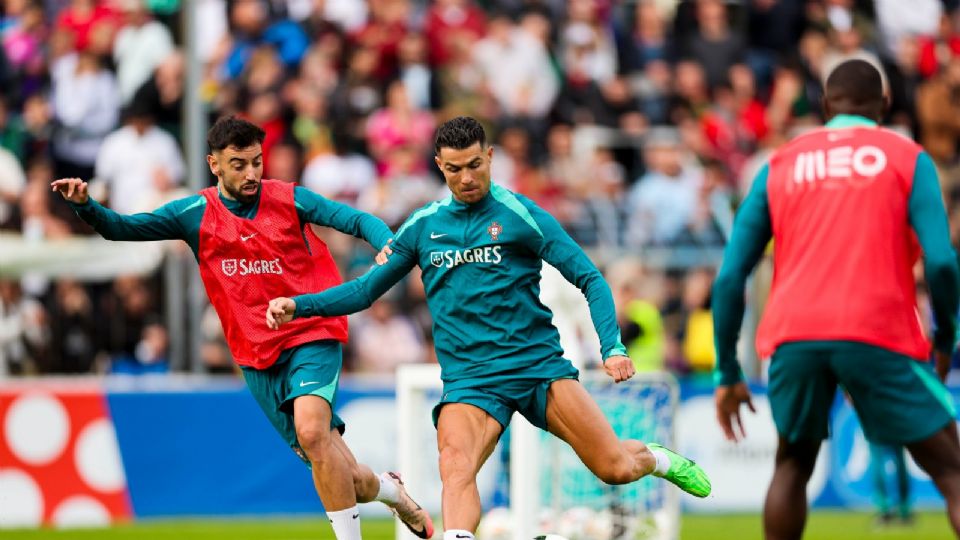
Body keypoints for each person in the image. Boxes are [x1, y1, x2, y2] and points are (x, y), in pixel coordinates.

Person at [266, 116, 711, 539]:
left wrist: (611, 346)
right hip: (471, 381)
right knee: (454, 467)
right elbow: (363, 292)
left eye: (475, 165)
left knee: (614, 466)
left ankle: (658, 459)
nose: (466, 178)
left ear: (491, 157)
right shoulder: (424, 226)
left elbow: (590, 277)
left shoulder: (520, 214)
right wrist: (300, 305)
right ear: (440, 166)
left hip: (538, 369)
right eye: (455, 169)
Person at [52, 116, 433, 540]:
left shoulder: (289, 198)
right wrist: (86, 206)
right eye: (239, 164)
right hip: (254, 355)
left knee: (311, 430)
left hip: (311, 330)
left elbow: (356, 220)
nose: (251, 173)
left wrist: (386, 244)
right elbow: (123, 228)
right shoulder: (193, 213)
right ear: (213, 164)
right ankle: (390, 490)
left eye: (256, 162)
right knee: (342, 472)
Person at [712, 59, 960, 540]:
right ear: (885, 106)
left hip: (794, 335)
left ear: (825, 107)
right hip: (878, 331)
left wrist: (727, 372)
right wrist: (946, 336)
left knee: (792, 465)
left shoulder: (779, 163)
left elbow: (729, 278)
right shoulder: (907, 157)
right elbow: (943, 262)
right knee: (952, 471)